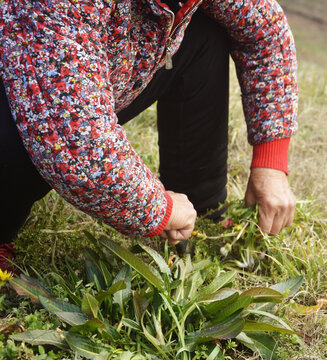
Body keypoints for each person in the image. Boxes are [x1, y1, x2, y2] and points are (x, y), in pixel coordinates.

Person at [0, 0, 298, 273]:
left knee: (206, 30)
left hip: (93, 77)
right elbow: (72, 138)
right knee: (37, 129)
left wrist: (270, 162)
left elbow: (266, 31)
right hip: (26, 81)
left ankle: (200, 215)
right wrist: (156, 208)